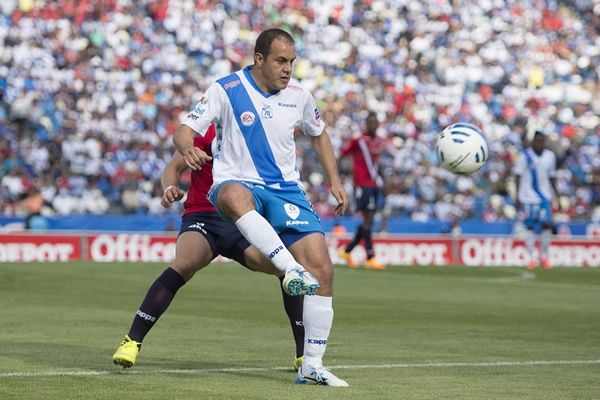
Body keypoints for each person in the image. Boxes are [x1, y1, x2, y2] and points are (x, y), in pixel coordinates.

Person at [173, 28, 350, 387]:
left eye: (292, 62)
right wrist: (187, 147)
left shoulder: (299, 95)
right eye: (281, 61)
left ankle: (312, 365)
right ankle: (289, 269)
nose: (288, 69)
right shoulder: (227, 89)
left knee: (324, 270)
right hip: (237, 182)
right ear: (259, 59)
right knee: (231, 196)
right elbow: (184, 128)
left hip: (285, 190)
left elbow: (318, 134)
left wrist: (335, 179)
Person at [113, 124, 305, 371]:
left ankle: (303, 353)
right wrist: (170, 188)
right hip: (204, 217)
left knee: (285, 268)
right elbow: (173, 168)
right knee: (184, 264)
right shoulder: (208, 132)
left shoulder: (263, 133)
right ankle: (132, 341)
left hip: (244, 221)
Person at [337, 112, 386, 270]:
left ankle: (347, 251)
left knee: (368, 221)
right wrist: (336, 177)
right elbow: (343, 154)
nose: (373, 125)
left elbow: (377, 164)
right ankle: (370, 257)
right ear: (366, 124)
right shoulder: (358, 139)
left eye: (375, 123)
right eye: (370, 123)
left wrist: (383, 180)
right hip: (362, 184)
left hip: (373, 184)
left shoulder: (379, 141)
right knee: (368, 219)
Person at [513, 130, 560, 269]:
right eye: (537, 141)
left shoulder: (550, 156)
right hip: (528, 197)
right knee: (530, 226)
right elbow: (517, 175)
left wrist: (557, 194)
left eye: (541, 141)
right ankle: (530, 257)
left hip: (545, 196)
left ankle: (544, 256)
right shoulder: (525, 155)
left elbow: (552, 176)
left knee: (546, 224)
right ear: (533, 141)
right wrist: (517, 195)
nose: (539, 143)